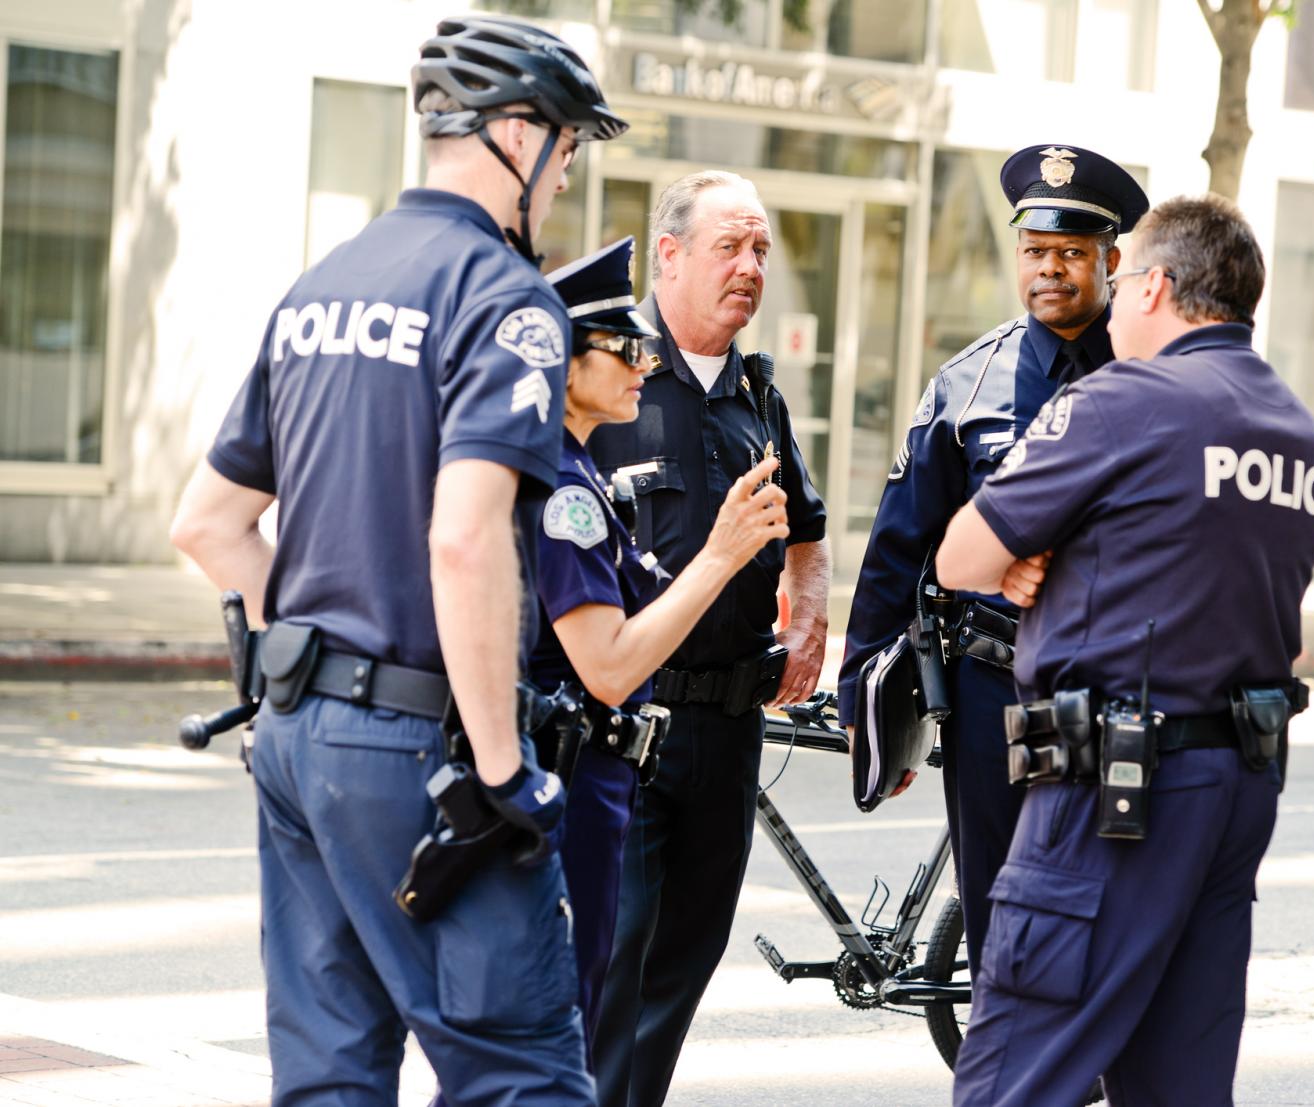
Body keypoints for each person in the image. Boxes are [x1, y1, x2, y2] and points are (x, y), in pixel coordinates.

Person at [168, 16, 625, 1103]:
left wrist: (312, 657)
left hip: (295, 736)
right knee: (519, 1068)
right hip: (419, 748)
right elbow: (464, 539)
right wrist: (506, 770)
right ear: (517, 134)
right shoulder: (505, 298)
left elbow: (210, 524)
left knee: (331, 1074)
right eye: (567, 148)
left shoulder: (324, 284)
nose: (566, 176)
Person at [935, 194, 1314, 1106]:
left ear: (1155, 284)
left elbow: (963, 555)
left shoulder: (1125, 401)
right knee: (1178, 1084)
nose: (1110, 306)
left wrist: (1038, 556)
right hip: (1234, 793)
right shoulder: (1298, 432)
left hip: (1114, 796)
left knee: (1014, 1076)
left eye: (1120, 285)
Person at [839, 144, 1147, 980]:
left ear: (1111, 261)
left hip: (1121, 684)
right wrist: (864, 684)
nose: (1051, 270)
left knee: (1113, 899)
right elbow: (899, 545)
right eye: (1036, 252)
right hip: (995, 691)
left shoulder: (1152, 371)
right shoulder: (967, 386)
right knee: (1003, 906)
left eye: (1072, 255)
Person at [586, 170, 831, 1107]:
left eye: (762, 249)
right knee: (613, 969)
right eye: (730, 245)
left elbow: (805, 530)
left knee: (684, 959)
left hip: (729, 733)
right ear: (671, 254)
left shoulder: (755, 398)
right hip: (628, 725)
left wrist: (807, 619)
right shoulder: (609, 380)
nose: (750, 266)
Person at [527, 236, 789, 1067]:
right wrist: (719, 554)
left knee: (658, 979)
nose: (642, 360)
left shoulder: (589, 473)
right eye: (622, 345)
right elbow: (610, 661)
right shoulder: (563, 489)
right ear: (567, 364)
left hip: (704, 727)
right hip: (596, 757)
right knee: (578, 1013)